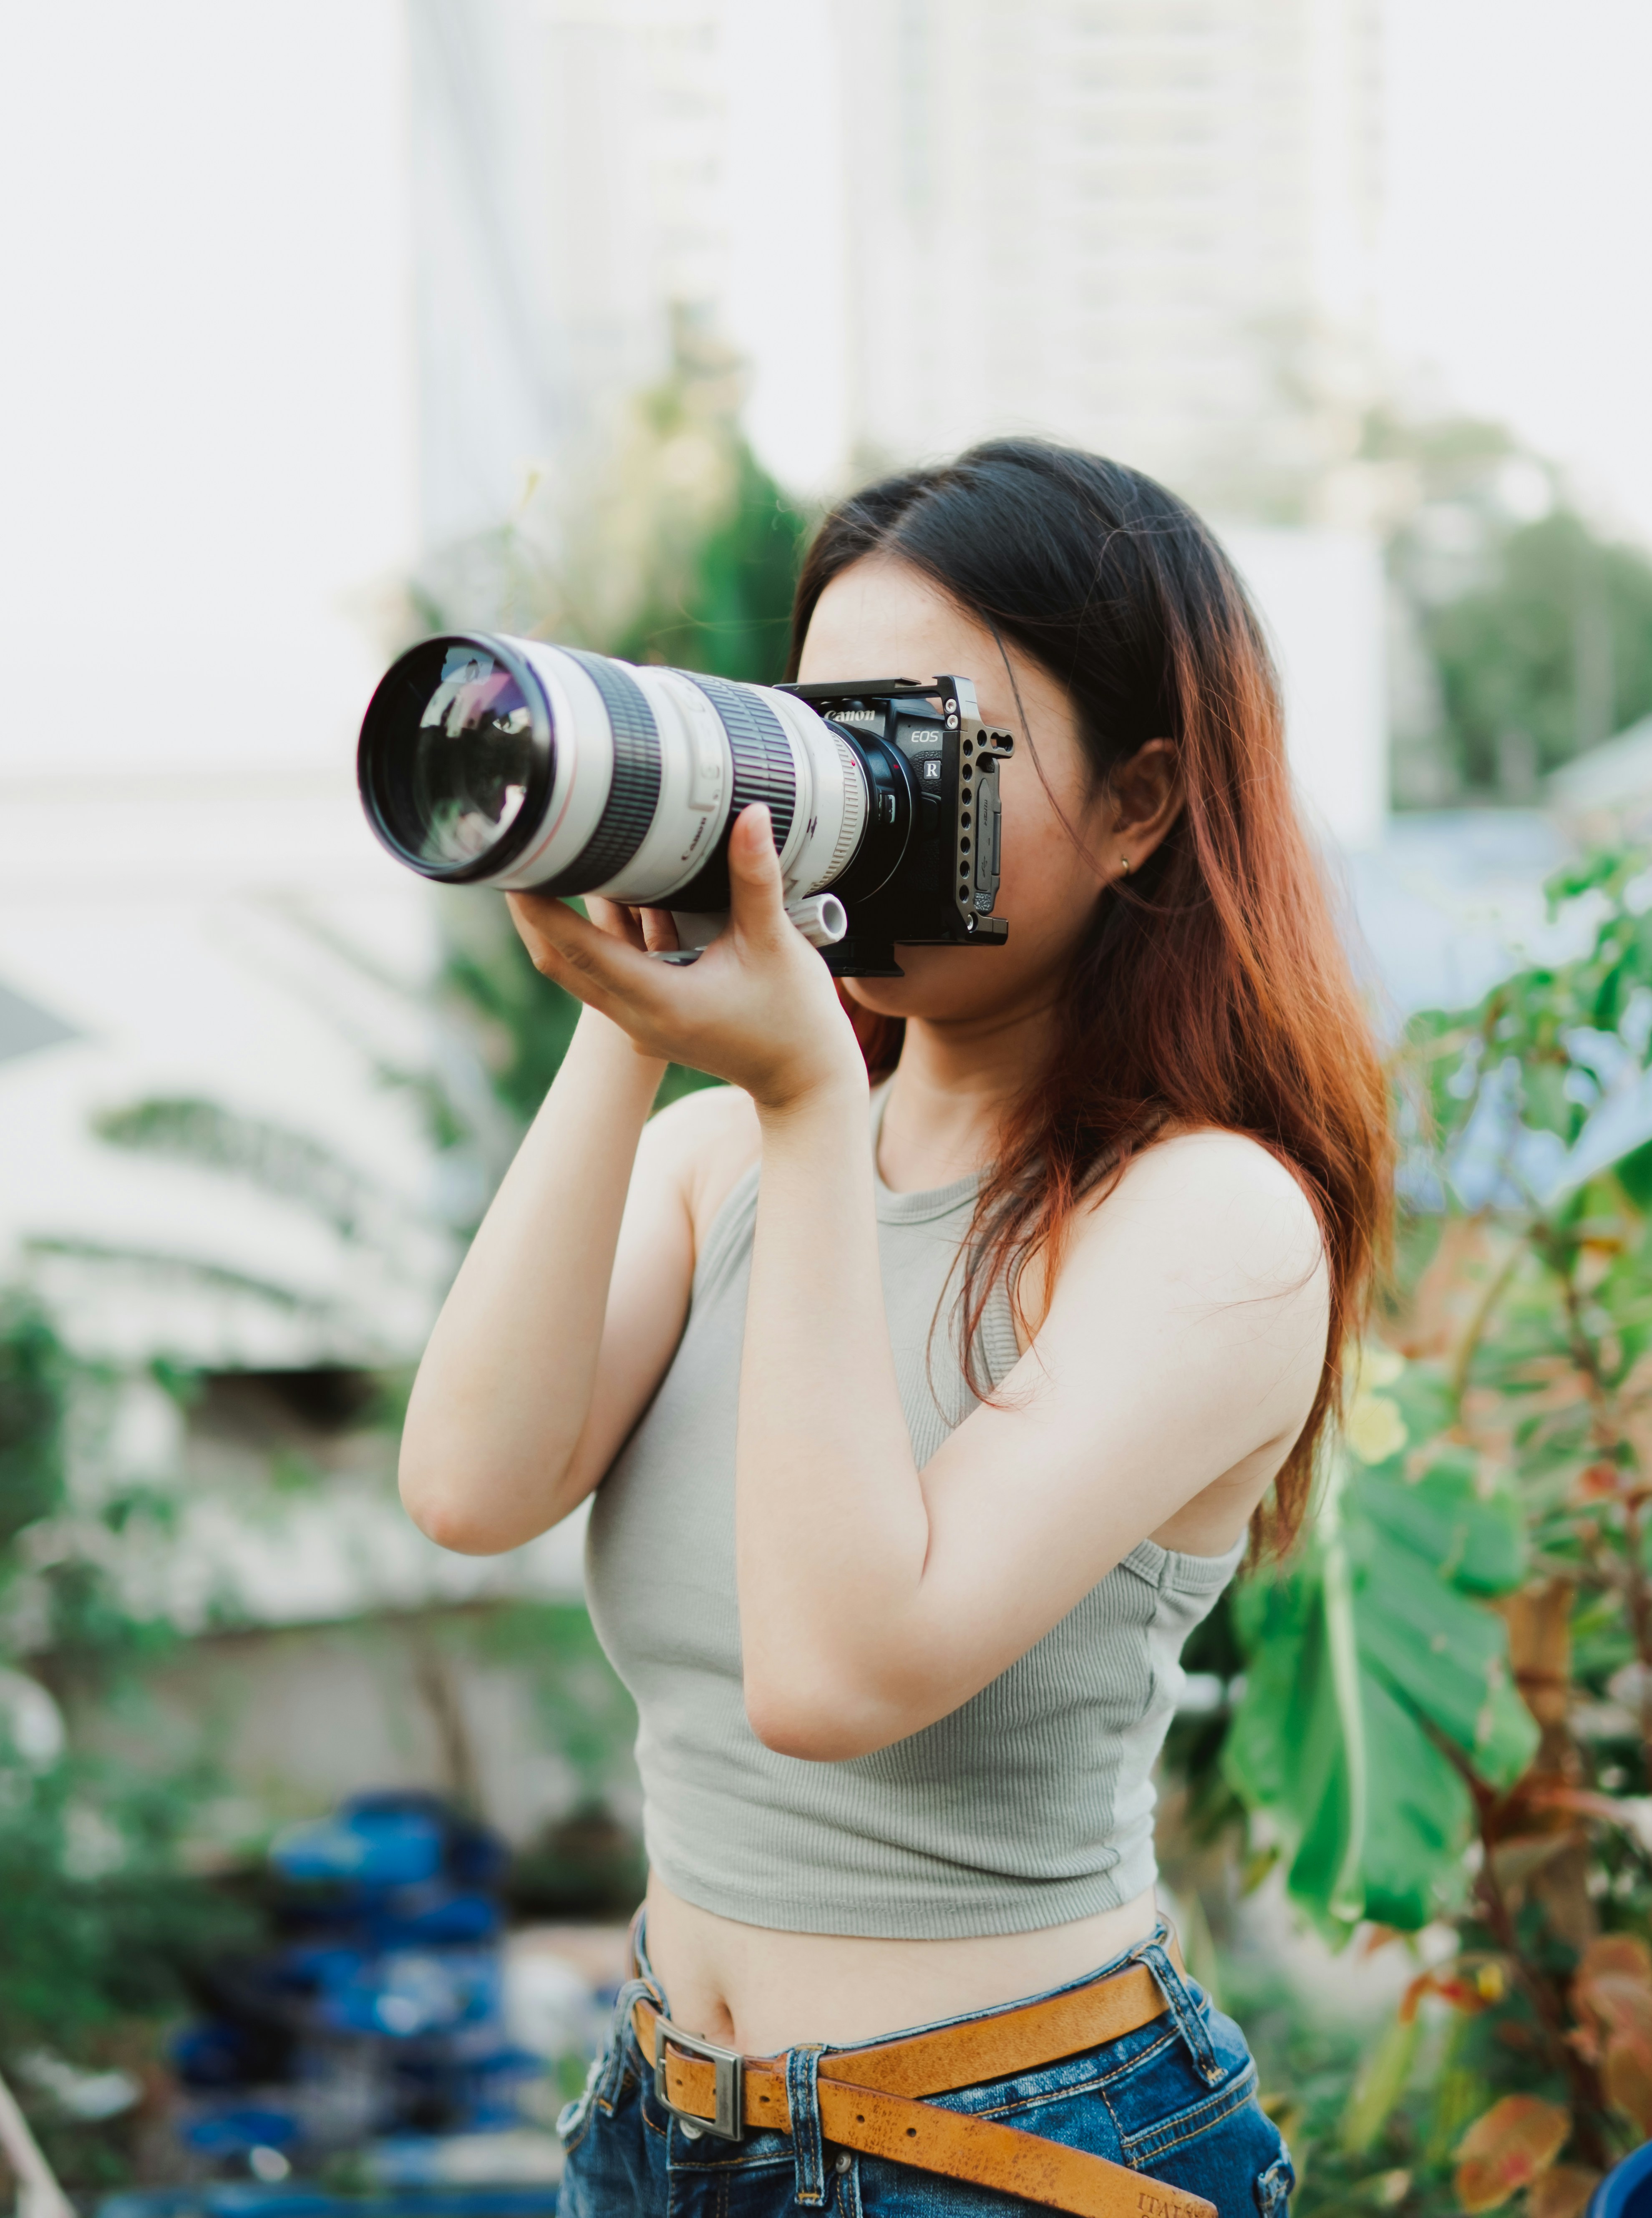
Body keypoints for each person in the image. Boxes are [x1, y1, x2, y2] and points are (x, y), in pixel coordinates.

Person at [398, 440, 1390, 2217]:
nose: (849, 808)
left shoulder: (1209, 1220)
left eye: (927, 746)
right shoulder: (722, 1157)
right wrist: (632, 1000)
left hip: (1014, 2152)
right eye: (820, 740)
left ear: (1145, 799)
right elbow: (472, 1481)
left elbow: (837, 1674)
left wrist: (798, 1094)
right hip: (656, 2123)